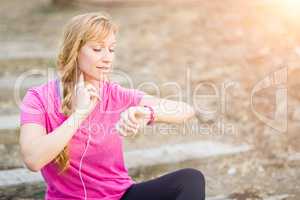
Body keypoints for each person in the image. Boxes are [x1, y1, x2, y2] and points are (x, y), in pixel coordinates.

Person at [19, 12, 205, 200]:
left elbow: (185, 110)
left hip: (119, 196)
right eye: (98, 49)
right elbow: (33, 160)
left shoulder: (114, 94)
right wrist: (79, 114)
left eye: (112, 49)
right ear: (74, 51)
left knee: (190, 179)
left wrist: (147, 113)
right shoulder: (38, 98)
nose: (108, 58)